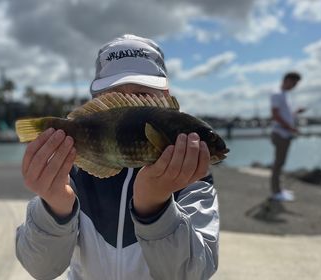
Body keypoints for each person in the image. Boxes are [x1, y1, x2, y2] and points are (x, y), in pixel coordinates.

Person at [15, 34, 219, 280]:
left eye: (143, 96)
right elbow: (41, 269)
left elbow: (192, 274)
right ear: (96, 102)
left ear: (166, 96)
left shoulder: (191, 176)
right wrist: (54, 206)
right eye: (114, 97)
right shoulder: (70, 172)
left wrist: (155, 207)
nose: (130, 106)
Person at [270, 72, 304, 202]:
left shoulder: (284, 95)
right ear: (287, 80)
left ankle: (279, 190)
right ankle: (276, 192)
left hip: (283, 134)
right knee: (278, 164)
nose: (294, 86)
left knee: (280, 163)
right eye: (294, 83)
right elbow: (275, 115)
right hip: (280, 134)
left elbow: (284, 115)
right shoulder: (278, 94)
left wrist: (295, 113)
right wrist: (291, 128)